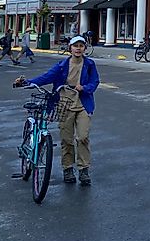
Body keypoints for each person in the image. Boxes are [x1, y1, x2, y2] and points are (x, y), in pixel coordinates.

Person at [24, 35, 99, 186]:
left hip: (83, 104)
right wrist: (28, 82)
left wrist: (84, 88)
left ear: (85, 48)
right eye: (75, 46)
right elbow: (46, 77)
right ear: (70, 48)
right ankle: (68, 168)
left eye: (81, 46)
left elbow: (95, 82)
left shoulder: (89, 64)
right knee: (66, 139)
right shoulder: (62, 65)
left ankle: (84, 169)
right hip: (64, 104)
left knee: (83, 137)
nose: (78, 48)